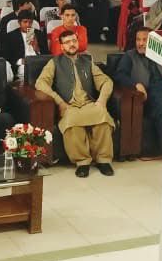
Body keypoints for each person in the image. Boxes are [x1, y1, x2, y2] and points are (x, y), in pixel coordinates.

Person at [35, 30, 115, 178]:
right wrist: (59, 101)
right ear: (61, 46)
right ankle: (82, 162)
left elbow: (106, 81)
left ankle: (103, 160)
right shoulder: (54, 63)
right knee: (72, 123)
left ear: (78, 42)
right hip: (69, 105)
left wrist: (102, 100)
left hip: (89, 103)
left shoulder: (87, 61)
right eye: (67, 42)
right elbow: (40, 83)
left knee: (102, 117)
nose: (71, 44)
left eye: (73, 41)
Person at [113, 26, 162, 158]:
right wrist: (136, 84)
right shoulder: (130, 56)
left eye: (145, 40)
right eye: (138, 40)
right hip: (146, 95)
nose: (140, 43)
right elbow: (120, 75)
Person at [0, 11, 49, 82]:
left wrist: (37, 48)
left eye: (30, 22)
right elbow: (7, 56)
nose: (28, 25)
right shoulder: (11, 36)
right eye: (25, 22)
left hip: (38, 61)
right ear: (19, 23)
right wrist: (20, 61)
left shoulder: (39, 34)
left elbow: (46, 53)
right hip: (23, 64)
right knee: (26, 72)